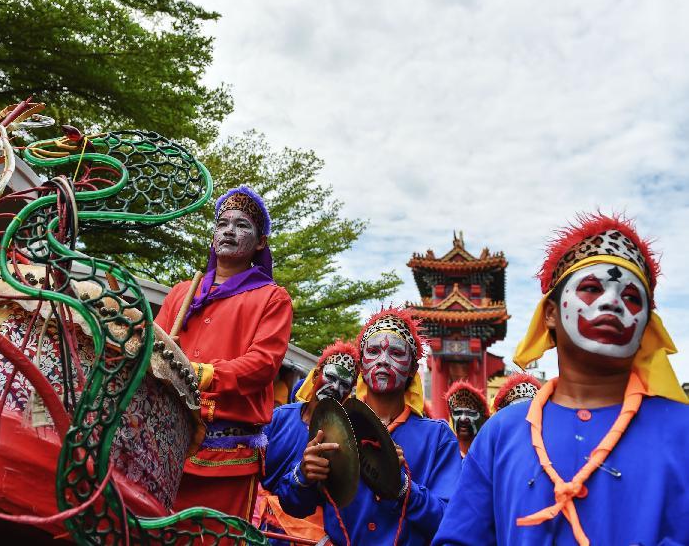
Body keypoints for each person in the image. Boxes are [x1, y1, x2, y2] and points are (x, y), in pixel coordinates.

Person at [434, 214, 689, 546]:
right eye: (591, 288)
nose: (612, 302)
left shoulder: (683, 432)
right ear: (550, 313)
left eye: (631, 297)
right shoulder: (501, 433)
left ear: (646, 327)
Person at [154, 185, 293, 521]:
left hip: (227, 461)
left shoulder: (273, 299)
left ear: (260, 242)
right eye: (222, 223)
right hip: (166, 445)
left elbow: (263, 364)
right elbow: (154, 347)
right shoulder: (182, 292)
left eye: (242, 225)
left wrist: (203, 374)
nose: (229, 230)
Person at [276, 307, 461, 545]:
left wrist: (403, 486)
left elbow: (450, 520)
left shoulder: (437, 437)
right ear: (362, 365)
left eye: (395, 352)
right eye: (373, 351)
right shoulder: (333, 424)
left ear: (413, 369)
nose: (383, 361)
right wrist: (304, 475)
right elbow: (293, 505)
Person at [259, 340, 360, 545]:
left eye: (344, 384)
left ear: (348, 394)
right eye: (330, 377)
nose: (335, 387)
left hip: (308, 538)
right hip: (260, 529)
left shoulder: (343, 442)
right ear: (315, 375)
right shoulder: (278, 417)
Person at [445, 381, 489, 457]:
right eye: (458, 413)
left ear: (483, 420)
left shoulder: (489, 454)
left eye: (471, 413)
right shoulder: (444, 454)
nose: (463, 418)